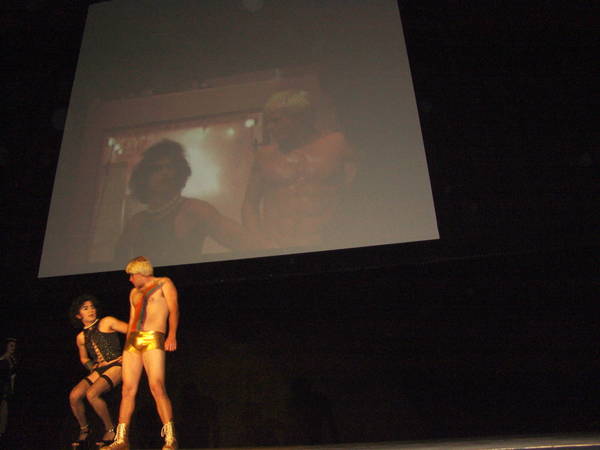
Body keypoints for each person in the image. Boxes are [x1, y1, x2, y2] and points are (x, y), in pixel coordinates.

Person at [115, 139, 265, 267]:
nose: (165, 173)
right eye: (157, 168)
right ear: (144, 176)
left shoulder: (195, 210)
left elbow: (247, 244)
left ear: (179, 172)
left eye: (170, 167)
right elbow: (120, 265)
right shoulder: (136, 222)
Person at [242, 89, 357, 249]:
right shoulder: (264, 155)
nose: (269, 127)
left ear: (299, 118)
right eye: (267, 122)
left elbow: (365, 186)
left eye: (276, 121)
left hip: (328, 244)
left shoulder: (336, 143)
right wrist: (260, 243)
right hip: (278, 247)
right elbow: (249, 204)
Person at [102, 256, 178, 450]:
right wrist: (126, 347)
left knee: (156, 386)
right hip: (133, 341)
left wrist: (171, 335)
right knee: (127, 390)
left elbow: (174, 310)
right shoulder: (133, 293)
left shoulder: (164, 283)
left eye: (132, 275)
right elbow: (132, 319)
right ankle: (121, 440)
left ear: (141, 273)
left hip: (153, 337)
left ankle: (170, 439)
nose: (130, 279)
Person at [68, 295, 128, 448]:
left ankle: (111, 430)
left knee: (92, 394)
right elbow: (84, 358)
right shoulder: (81, 337)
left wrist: (127, 354)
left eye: (92, 307)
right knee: (74, 396)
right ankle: (84, 429)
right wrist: (91, 366)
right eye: (85, 308)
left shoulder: (106, 321)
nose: (91, 310)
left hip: (116, 364)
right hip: (99, 368)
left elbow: (132, 331)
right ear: (78, 315)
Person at [0, 338, 17, 441]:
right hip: (2, 387)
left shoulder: (13, 359)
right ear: (6, 346)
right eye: (11, 345)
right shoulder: (2, 359)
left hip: (7, 388)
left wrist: (12, 388)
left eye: (14, 346)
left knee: (5, 411)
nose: (13, 348)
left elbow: (13, 376)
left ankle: (2, 432)